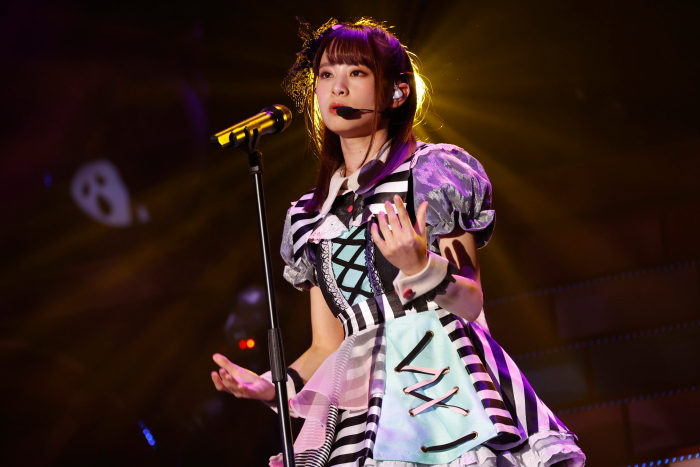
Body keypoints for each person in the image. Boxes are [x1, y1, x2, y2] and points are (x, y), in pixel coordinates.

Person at [211, 18, 586, 467]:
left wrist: (420, 267)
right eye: (326, 75)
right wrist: (271, 387)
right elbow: (327, 347)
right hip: (365, 406)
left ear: (396, 92)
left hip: (446, 386)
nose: (337, 88)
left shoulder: (433, 174)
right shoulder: (310, 215)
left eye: (357, 73)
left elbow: (471, 303)